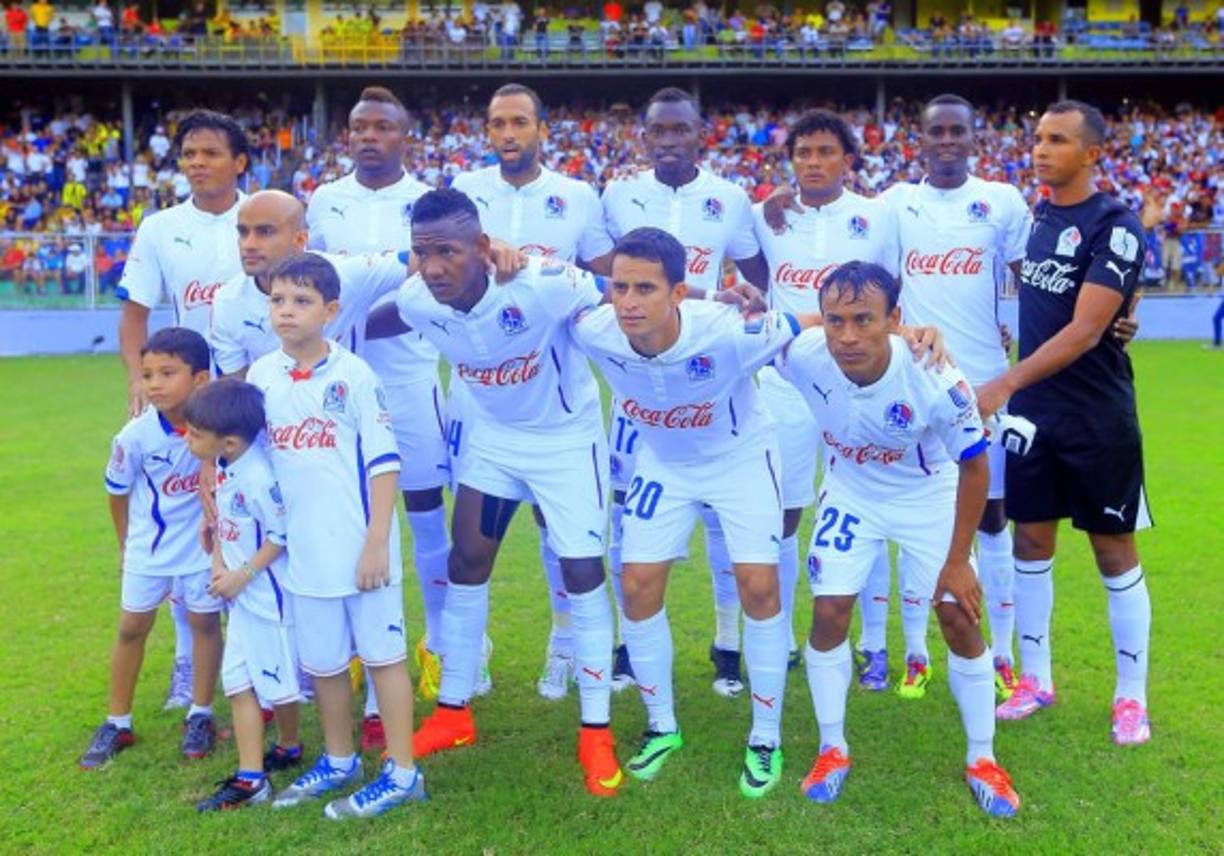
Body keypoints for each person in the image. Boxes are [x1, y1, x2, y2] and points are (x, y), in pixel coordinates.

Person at [379, 189, 622, 799]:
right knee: (466, 563)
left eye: (448, 252)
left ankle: (596, 731)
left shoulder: (540, 284)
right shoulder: (417, 299)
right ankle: (454, 713)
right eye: (422, 252)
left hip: (566, 444)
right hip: (492, 442)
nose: (433, 267)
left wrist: (712, 303)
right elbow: (368, 319)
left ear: (483, 249)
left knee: (582, 570)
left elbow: (624, 293)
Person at [566, 227, 818, 798]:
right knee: (636, 585)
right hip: (664, 462)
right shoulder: (595, 329)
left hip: (741, 458)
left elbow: (815, 320)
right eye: (620, 287)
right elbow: (546, 292)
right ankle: (662, 727)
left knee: (758, 586)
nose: (628, 302)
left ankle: (766, 736)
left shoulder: (730, 334)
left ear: (678, 293)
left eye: (645, 289)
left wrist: (910, 330)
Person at [776, 262, 1021, 818]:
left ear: (896, 320)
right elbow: (749, 328)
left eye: (865, 320)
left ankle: (982, 758)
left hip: (927, 496)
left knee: (958, 614)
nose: (847, 337)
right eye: (835, 321)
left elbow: (976, 466)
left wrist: (958, 561)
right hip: (849, 493)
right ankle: (832, 748)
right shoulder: (804, 353)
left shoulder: (933, 375)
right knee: (829, 614)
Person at [979, 101, 1153, 746]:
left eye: (1057, 141)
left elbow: (1085, 330)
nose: (1041, 150)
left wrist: (1005, 381)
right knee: (1030, 544)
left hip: (1097, 415)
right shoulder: (1038, 218)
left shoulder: (1117, 224)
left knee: (1112, 549)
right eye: (1037, 138)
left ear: (1092, 153)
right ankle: (1037, 679)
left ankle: (1130, 696)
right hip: (1035, 417)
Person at [601, 86, 770, 698]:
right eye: (658, 131)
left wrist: (742, 305)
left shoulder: (729, 198)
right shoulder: (618, 194)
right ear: (645, 135)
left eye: (680, 131)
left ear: (700, 133)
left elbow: (758, 277)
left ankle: (727, 645)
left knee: (725, 524)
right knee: (629, 517)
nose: (669, 141)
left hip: (708, 377)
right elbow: (604, 276)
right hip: (640, 381)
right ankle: (626, 641)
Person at [247, 252, 427, 817]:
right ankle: (341, 760)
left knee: (383, 658)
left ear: (331, 310)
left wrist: (377, 540)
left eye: (301, 301)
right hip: (304, 555)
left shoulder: (353, 374)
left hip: (361, 550)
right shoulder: (261, 377)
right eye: (277, 300)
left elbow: (383, 462)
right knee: (324, 665)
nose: (286, 311)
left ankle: (402, 773)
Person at [452, 82, 615, 701]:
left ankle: (565, 644)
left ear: (542, 129)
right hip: (483, 396)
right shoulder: (465, 191)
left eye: (520, 122)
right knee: (474, 540)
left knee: (559, 533)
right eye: (498, 123)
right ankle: (475, 651)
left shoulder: (576, 196)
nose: (509, 133)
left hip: (557, 395)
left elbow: (605, 273)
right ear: (487, 133)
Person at [305, 86, 452, 739]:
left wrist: (359, 321)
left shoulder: (426, 202)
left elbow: (430, 285)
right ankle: (364, 652)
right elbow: (313, 285)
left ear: (404, 136)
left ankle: (446, 647)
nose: (368, 135)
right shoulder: (324, 199)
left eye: (382, 127)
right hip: (338, 387)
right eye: (359, 126)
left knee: (424, 516)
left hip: (408, 377)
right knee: (353, 518)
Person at [752, 108, 899, 688]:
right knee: (784, 513)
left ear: (849, 160)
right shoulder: (766, 215)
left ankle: (876, 644)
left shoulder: (876, 216)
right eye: (803, 153)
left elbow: (895, 295)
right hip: (785, 385)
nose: (813, 162)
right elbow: (750, 276)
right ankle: (784, 637)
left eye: (825, 152)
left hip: (857, 381)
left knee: (869, 506)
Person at [78, 328, 223, 768]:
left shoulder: (217, 426)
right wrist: (127, 547)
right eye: (147, 374)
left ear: (200, 379)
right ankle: (117, 722)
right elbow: (116, 493)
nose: (154, 383)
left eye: (167, 373)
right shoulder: (134, 437)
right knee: (130, 629)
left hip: (201, 547)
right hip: (149, 549)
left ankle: (201, 714)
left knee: (204, 623)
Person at [184, 379, 303, 811]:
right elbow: (221, 523)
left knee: (275, 685)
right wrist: (218, 561)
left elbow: (281, 535)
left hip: (265, 601)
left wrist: (243, 574)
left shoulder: (257, 477)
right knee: (238, 684)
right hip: (241, 600)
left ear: (230, 441)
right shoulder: (224, 464)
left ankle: (272, 763)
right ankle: (266, 764)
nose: (188, 438)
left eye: (196, 433)